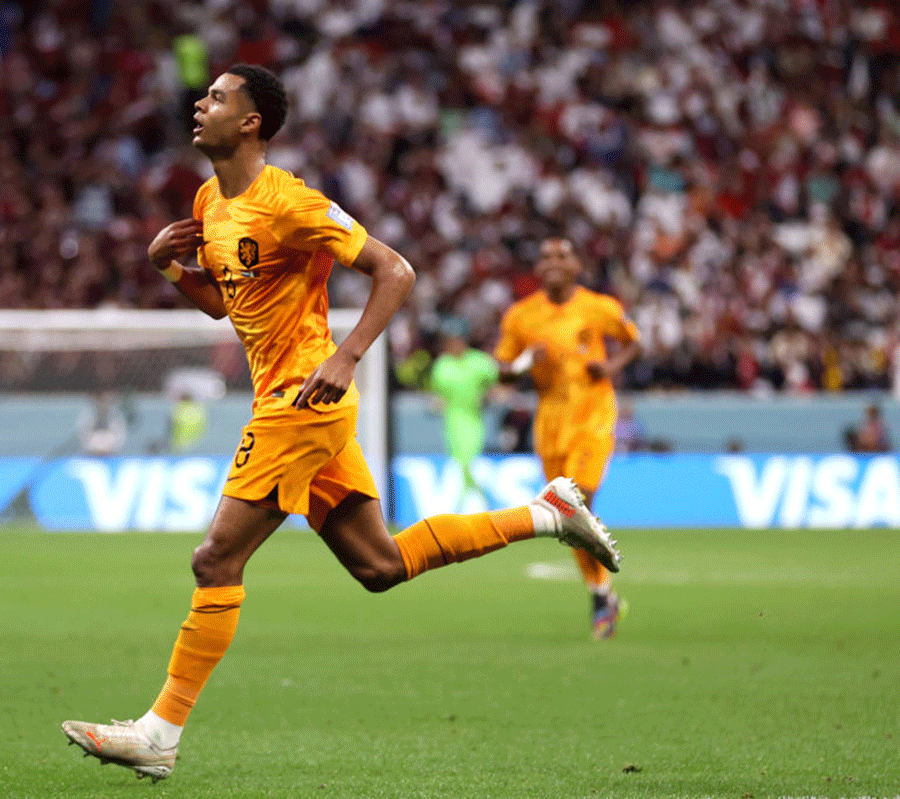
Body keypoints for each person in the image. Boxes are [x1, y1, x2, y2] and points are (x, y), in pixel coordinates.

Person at [61, 65, 620, 782]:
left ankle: (159, 732)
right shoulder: (209, 201)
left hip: (302, 396)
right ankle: (545, 513)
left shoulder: (289, 202)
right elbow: (225, 306)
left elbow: (396, 270)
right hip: (293, 400)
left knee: (214, 559)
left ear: (252, 121)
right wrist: (170, 269)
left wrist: (349, 355)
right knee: (379, 566)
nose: (201, 105)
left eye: (219, 98)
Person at [494, 237, 641, 640]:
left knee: (577, 503)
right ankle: (602, 594)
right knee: (567, 519)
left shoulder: (599, 307)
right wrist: (527, 362)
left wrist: (610, 366)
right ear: (537, 269)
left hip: (593, 415)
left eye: (562, 255)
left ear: (577, 264)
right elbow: (503, 369)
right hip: (551, 422)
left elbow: (634, 341)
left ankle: (599, 597)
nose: (553, 261)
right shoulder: (522, 316)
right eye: (545, 256)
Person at [426, 316, 499, 510]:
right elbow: (439, 397)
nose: (451, 344)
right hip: (452, 422)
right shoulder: (442, 366)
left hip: (474, 420)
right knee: (462, 465)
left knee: (467, 463)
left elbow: (496, 387)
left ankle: (473, 503)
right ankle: (477, 503)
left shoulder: (481, 362)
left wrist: (489, 396)